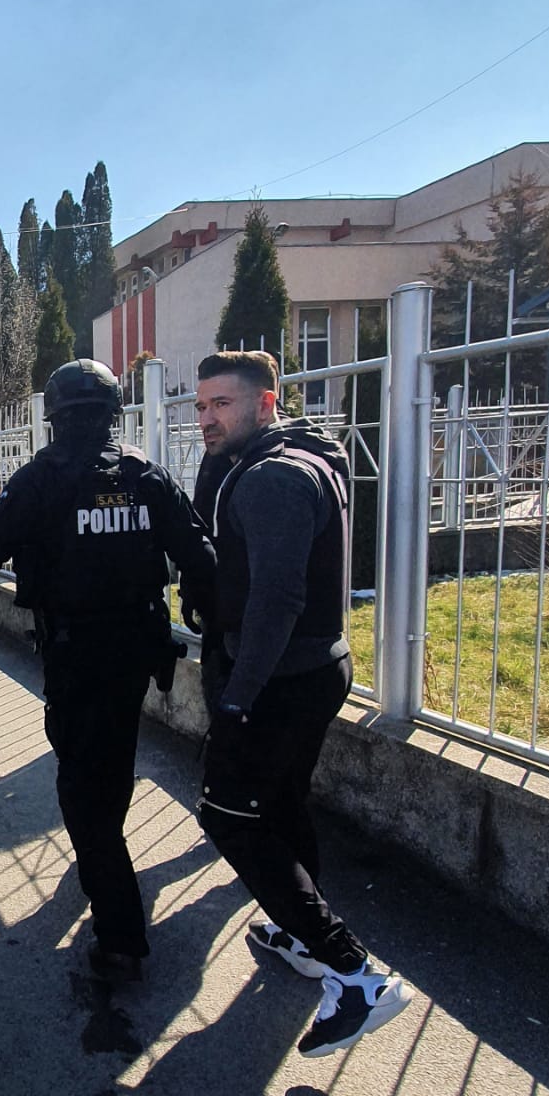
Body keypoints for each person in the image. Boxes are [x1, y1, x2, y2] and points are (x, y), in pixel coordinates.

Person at [0, 359, 215, 982]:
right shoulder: (145, 474)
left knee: (79, 781)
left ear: (54, 417)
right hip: (137, 650)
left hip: (76, 651)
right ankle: (101, 857)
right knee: (112, 761)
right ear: (114, 412)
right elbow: (200, 551)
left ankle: (120, 934)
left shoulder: (41, 479)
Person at [191, 349, 413, 1057]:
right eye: (201, 406)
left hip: (278, 679)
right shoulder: (307, 453)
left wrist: (238, 698)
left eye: (222, 404)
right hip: (311, 668)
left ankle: (355, 974)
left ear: (266, 402)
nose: (207, 419)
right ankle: (300, 936)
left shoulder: (273, 477)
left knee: (228, 814)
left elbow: (278, 598)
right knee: (281, 804)